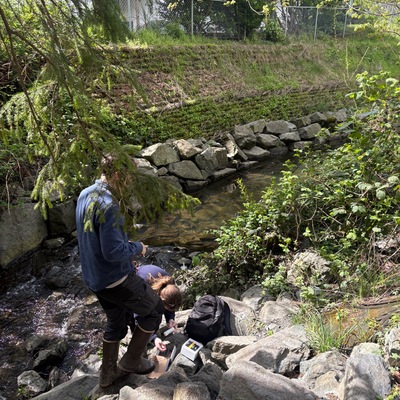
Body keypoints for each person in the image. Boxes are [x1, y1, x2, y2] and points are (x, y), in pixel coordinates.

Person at [75, 156, 164, 388]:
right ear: (117, 174)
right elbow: (113, 252)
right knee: (154, 309)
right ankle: (131, 361)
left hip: (95, 278)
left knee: (116, 322)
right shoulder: (109, 205)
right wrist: (137, 247)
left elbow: (95, 239)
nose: (130, 181)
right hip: (116, 279)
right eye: (128, 176)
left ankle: (107, 375)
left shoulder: (86, 193)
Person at [135, 264, 183, 351]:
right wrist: (153, 337)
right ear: (161, 299)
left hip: (150, 283)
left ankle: (152, 333)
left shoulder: (170, 285)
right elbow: (136, 316)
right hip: (131, 285)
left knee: (157, 312)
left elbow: (170, 303)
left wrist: (170, 319)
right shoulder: (144, 290)